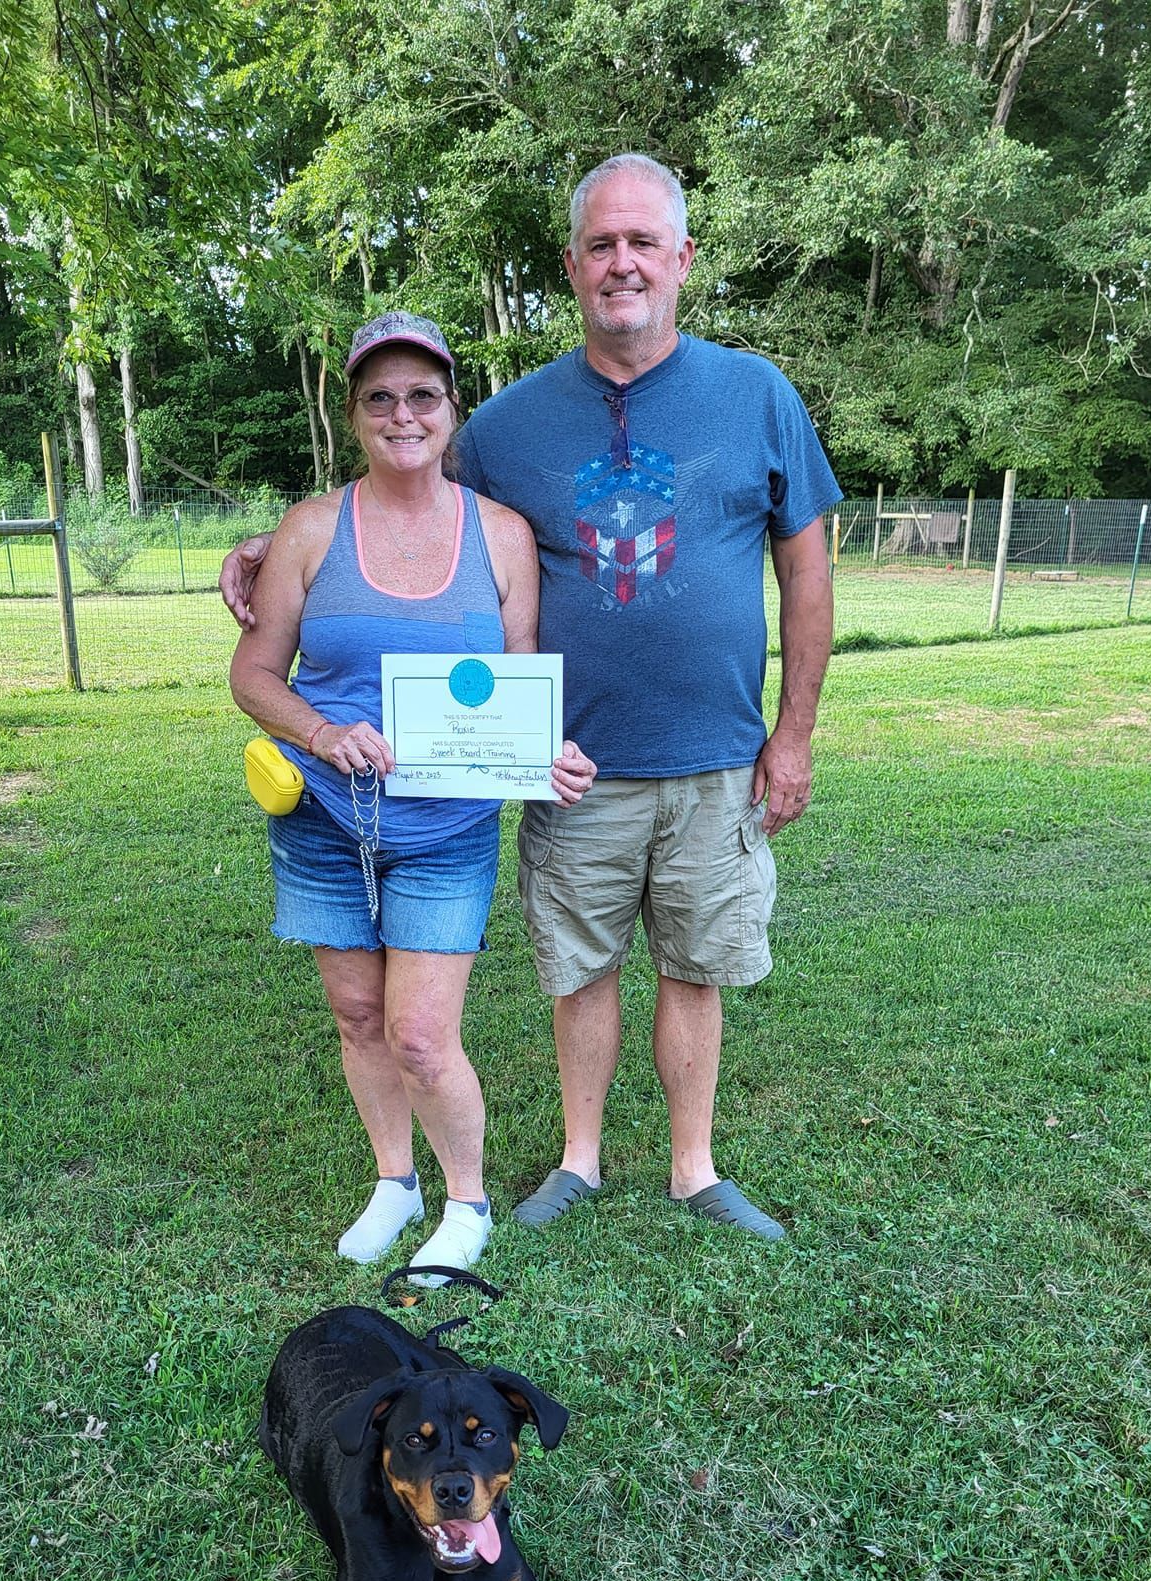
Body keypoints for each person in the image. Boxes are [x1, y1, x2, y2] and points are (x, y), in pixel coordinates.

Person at [225, 156, 838, 1241]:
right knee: (581, 966)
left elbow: (807, 569)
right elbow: (405, 487)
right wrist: (272, 548)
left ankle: (694, 1167)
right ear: (571, 265)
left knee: (696, 966)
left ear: (683, 258)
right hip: (572, 759)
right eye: (601, 244)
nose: (622, 263)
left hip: (717, 751)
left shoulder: (757, 396)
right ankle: (579, 1159)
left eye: (643, 242)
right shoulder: (508, 424)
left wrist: (793, 734)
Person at [229, 310, 595, 1280]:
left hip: (445, 832)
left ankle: (466, 1202)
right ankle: (395, 1181)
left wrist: (546, 756)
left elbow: (520, 685)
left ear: (451, 409)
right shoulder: (311, 530)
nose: (403, 414)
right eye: (380, 397)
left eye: (422, 395)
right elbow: (254, 673)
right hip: (323, 819)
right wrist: (321, 732)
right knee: (358, 1017)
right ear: (354, 414)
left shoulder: (502, 536)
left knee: (423, 1035)